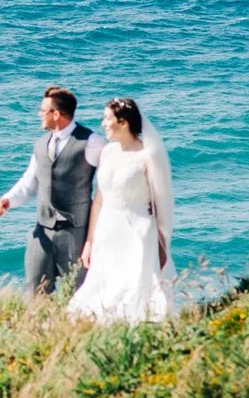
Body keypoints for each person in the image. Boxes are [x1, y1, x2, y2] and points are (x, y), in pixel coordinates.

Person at [70, 96, 176, 324]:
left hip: (138, 232)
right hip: (107, 231)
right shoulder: (107, 152)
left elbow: (161, 202)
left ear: (123, 122)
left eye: (107, 118)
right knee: (103, 288)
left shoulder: (148, 155)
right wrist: (89, 241)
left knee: (135, 288)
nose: (103, 123)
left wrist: (162, 241)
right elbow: (99, 199)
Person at [0, 86, 102, 297]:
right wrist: (8, 199)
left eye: (43, 110)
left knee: (79, 295)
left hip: (75, 232)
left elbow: (108, 183)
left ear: (57, 114)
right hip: (42, 230)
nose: (39, 114)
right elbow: (30, 181)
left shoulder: (92, 142)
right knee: (36, 291)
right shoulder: (40, 144)